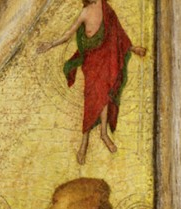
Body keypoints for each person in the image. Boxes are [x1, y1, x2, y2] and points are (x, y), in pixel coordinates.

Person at [37, 0, 147, 164]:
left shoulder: (105, 8)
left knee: (104, 95)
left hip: (106, 58)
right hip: (92, 63)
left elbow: (117, 34)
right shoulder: (85, 13)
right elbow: (68, 35)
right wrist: (51, 44)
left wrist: (133, 48)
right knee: (91, 101)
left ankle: (104, 134)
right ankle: (84, 143)